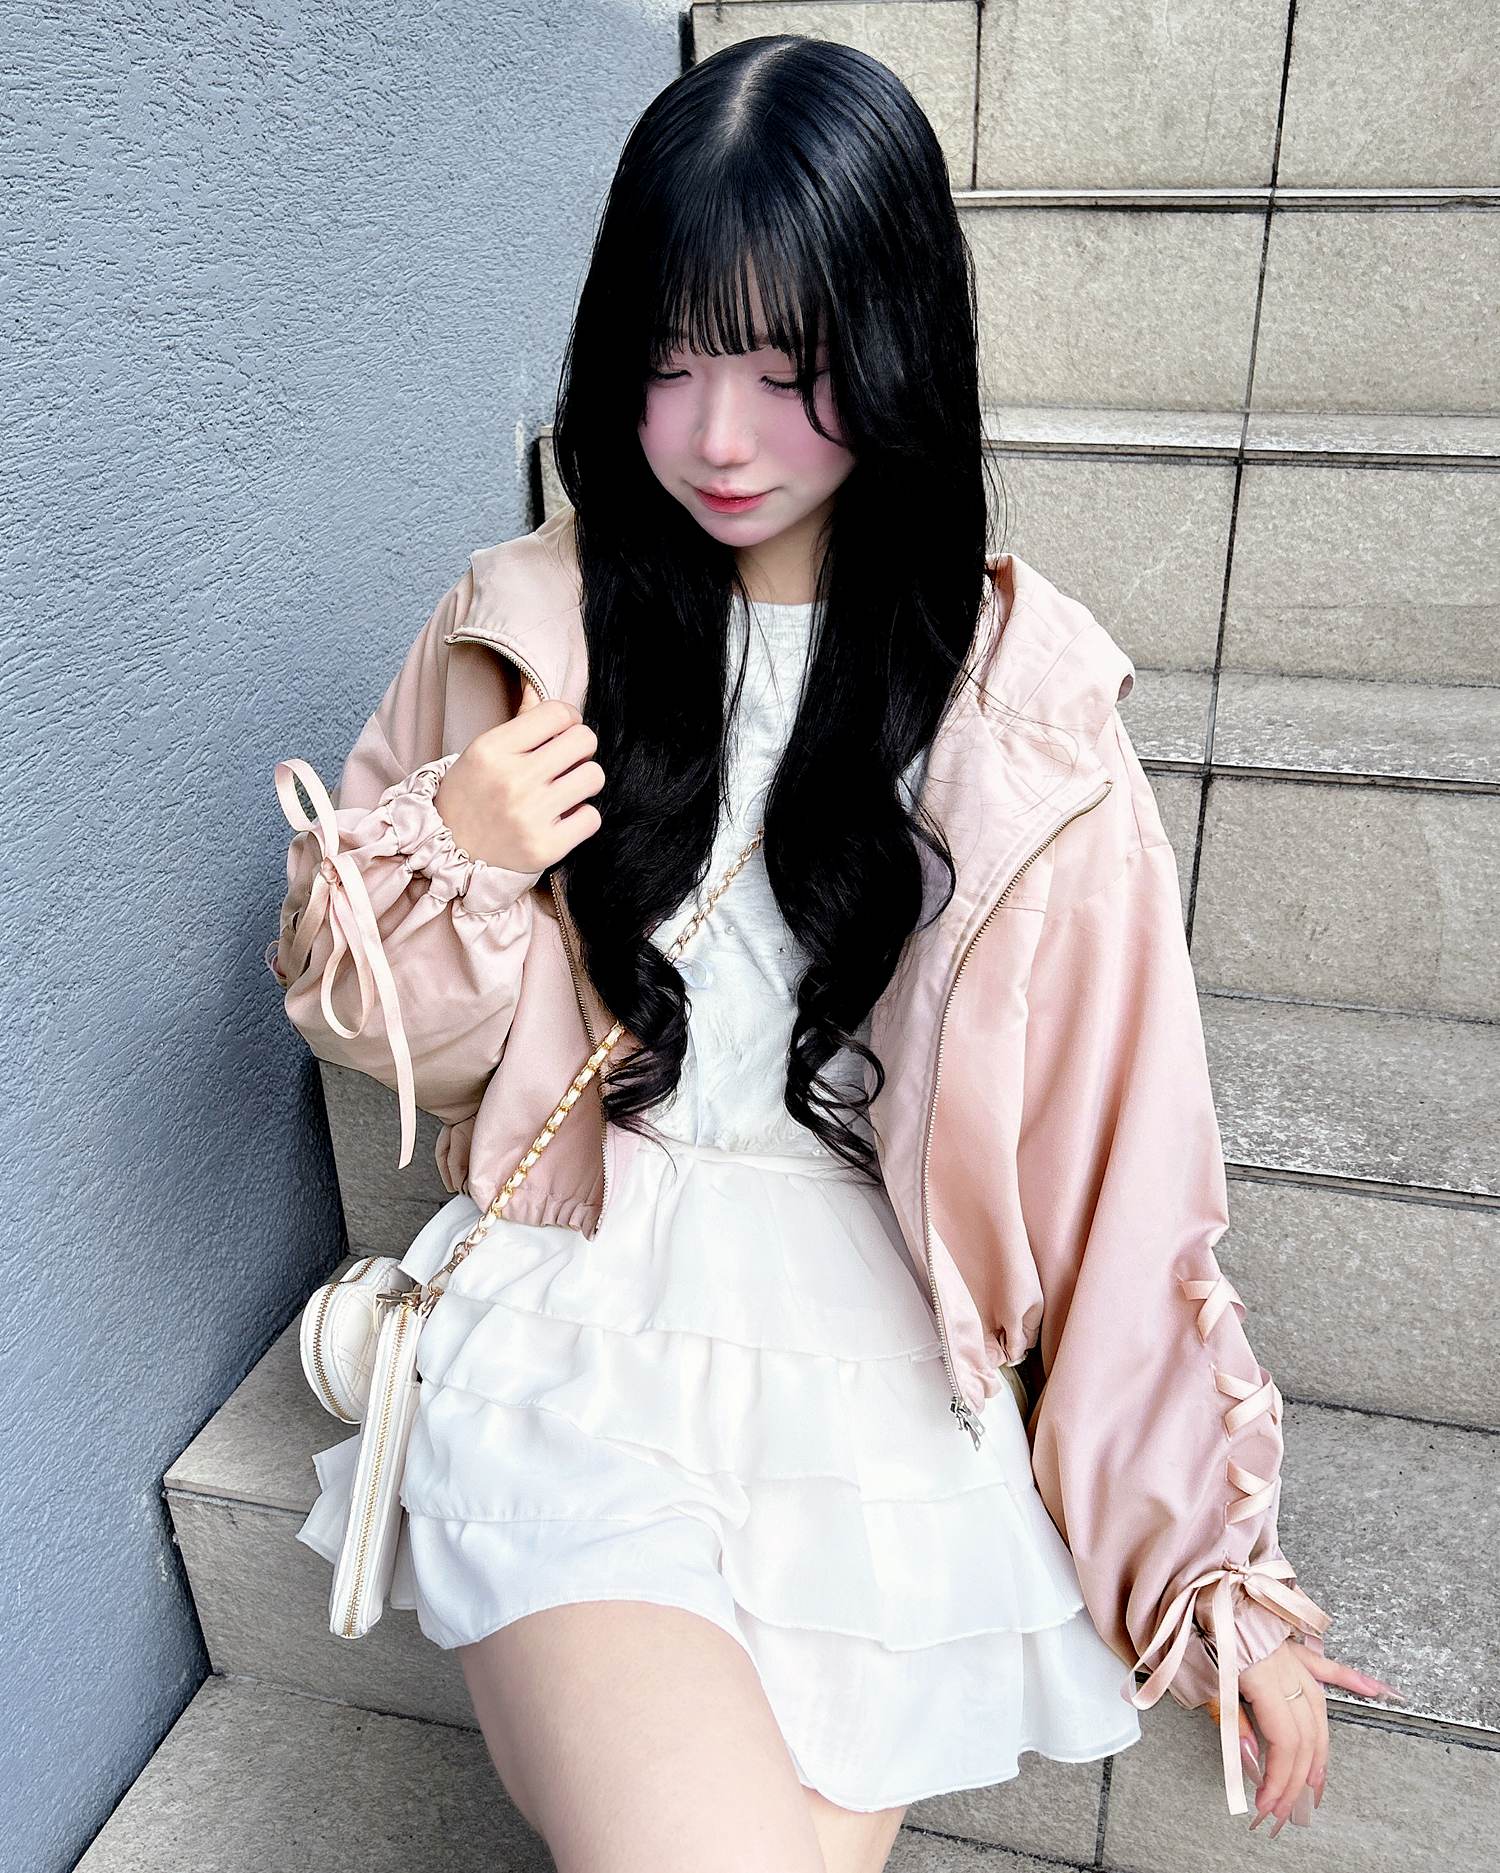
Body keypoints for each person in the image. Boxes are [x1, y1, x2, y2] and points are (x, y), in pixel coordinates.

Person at [268, 34, 1400, 1873]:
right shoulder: (522, 623)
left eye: (787, 371)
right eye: (671, 360)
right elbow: (366, 1017)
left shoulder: (1022, 718)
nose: (720, 435)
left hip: (878, 1351)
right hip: (586, 1309)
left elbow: (1127, 1178)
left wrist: (1212, 1565)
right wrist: (450, 847)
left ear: (893, 351)